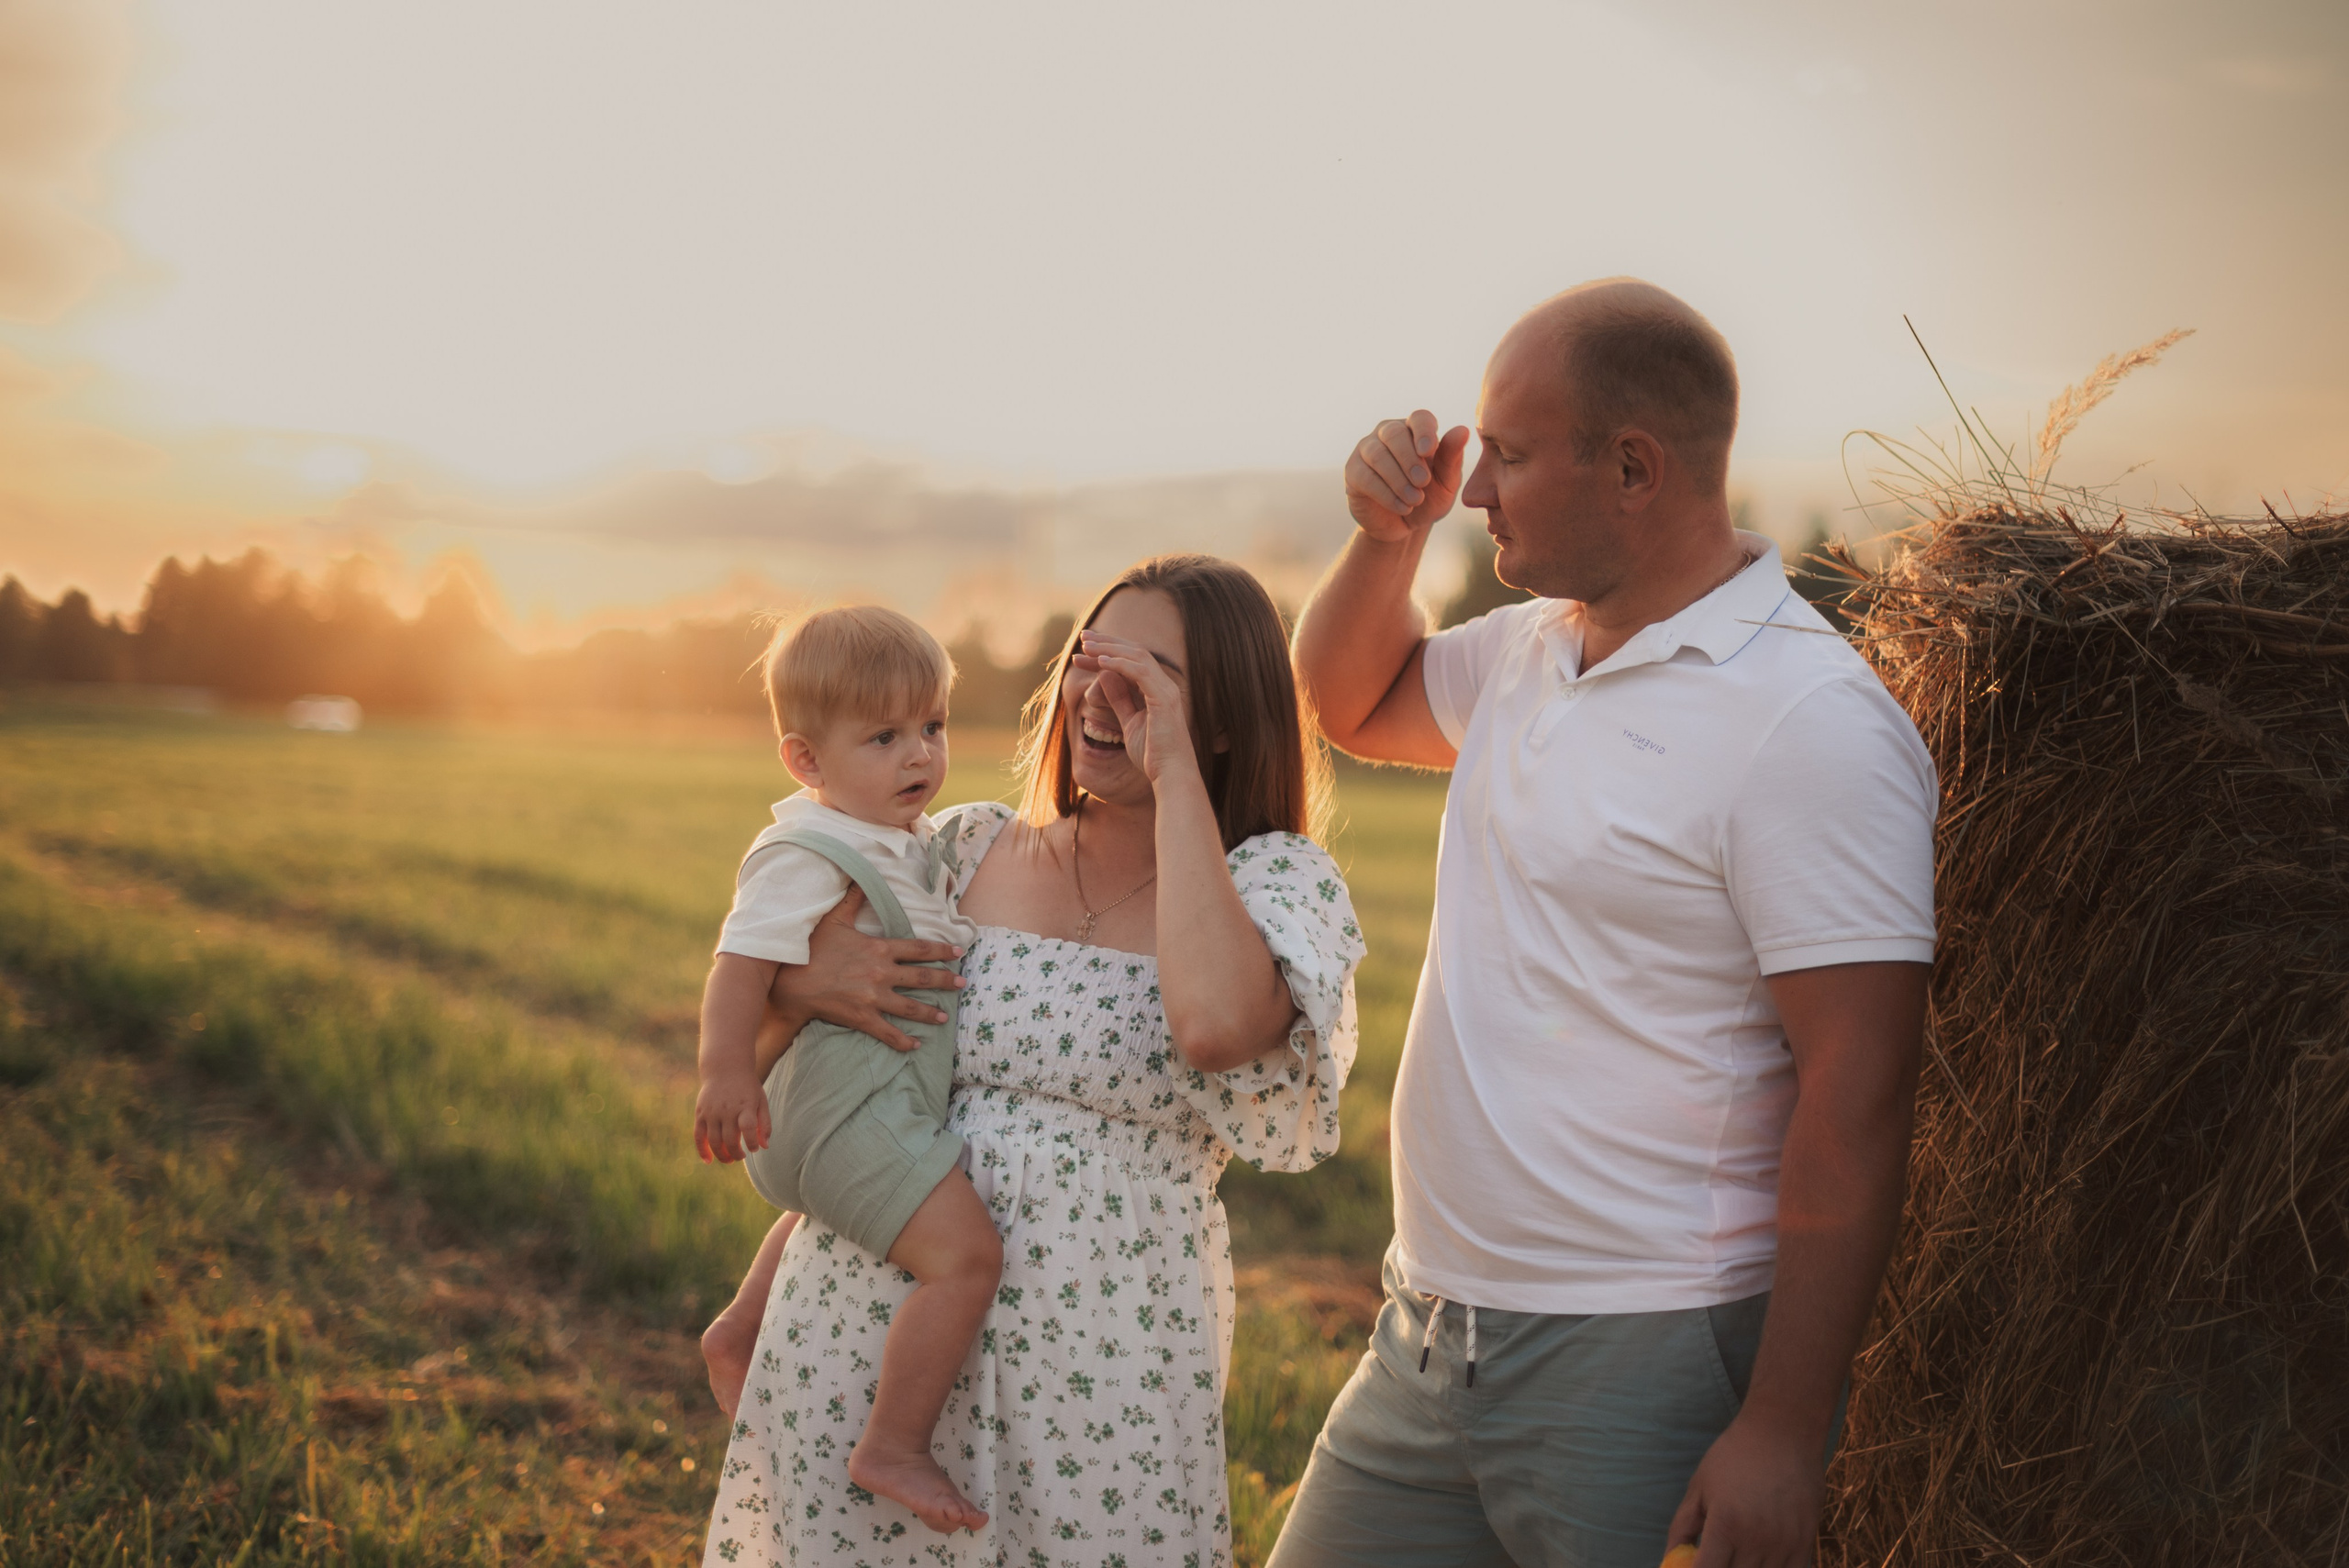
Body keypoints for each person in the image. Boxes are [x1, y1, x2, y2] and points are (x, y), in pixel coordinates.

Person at [1278, 278, 1937, 1568]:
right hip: (1424, 1332)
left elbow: (1859, 1091)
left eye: (1510, 456)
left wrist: (1784, 1430)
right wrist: (1385, 538)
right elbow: (1348, 700)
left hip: (1642, 1358)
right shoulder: (1529, 651)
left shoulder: (1807, 721)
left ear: (1633, 466)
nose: (1479, 492)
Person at [697, 553, 1366, 1568]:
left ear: (1220, 718)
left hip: (1102, 1350)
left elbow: (1218, 1026)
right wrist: (801, 982)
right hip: (875, 1320)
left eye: (1143, 681)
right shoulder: (960, 848)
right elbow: (812, 1059)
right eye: (1087, 663)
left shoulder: (1272, 880)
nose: (1098, 698)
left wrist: (1174, 770)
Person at [691, 605, 999, 1532]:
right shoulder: (806, 849)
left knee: (834, 1203)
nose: (919, 755)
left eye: (932, 726)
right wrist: (724, 1073)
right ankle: (893, 1442)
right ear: (806, 761)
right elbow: (738, 962)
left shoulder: (900, 845)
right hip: (842, 1113)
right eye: (884, 736)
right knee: (966, 1257)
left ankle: (739, 1330)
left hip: (847, 1117)